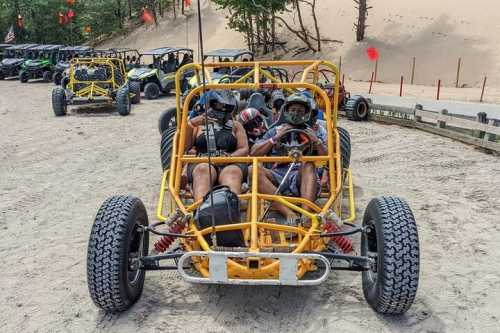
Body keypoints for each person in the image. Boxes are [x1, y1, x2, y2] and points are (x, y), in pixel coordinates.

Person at [250, 93, 327, 224]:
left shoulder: (311, 132)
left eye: (300, 111)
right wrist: (274, 139)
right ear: (286, 112)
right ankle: (287, 212)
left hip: (300, 175)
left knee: (308, 164)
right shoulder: (275, 131)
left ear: (307, 113)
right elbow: (253, 153)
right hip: (276, 174)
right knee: (253, 170)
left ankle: (305, 214)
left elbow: (327, 157)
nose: (296, 114)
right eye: (293, 110)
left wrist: (316, 141)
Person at [185, 90, 249, 201]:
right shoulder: (196, 124)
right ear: (210, 105)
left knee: (232, 173)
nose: (223, 110)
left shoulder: (236, 125)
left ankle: (231, 209)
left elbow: (244, 148)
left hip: (229, 162)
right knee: (203, 170)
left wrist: (229, 158)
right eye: (219, 106)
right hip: (202, 161)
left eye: (227, 107)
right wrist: (190, 125)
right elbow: (185, 147)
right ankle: (201, 209)